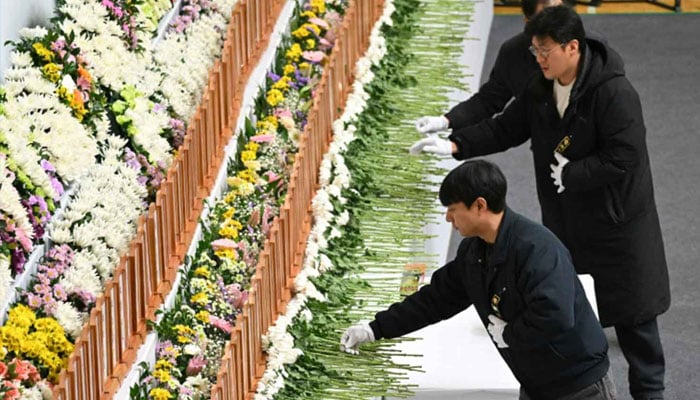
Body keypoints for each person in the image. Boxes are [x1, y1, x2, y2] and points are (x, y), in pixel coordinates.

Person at [410, 7, 670, 400]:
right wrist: (454, 144)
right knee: (572, 321)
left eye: (546, 51)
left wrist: (573, 173)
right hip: (568, 224)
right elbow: (505, 127)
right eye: (535, 51)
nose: (539, 59)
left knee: (637, 333)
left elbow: (625, 156)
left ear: (572, 47)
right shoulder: (541, 86)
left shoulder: (615, 92)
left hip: (618, 233)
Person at [340, 160, 615, 400]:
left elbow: (555, 316)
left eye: (453, 209)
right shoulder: (475, 250)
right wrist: (375, 329)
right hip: (536, 382)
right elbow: (435, 299)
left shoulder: (538, 250)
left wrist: (509, 334)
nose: (448, 217)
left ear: (479, 206)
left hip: (579, 386)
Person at [411, 0, 567, 155]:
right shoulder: (515, 54)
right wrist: (446, 124)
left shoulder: (589, 58)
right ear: (528, 22)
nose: (542, 59)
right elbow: (501, 118)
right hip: (549, 152)